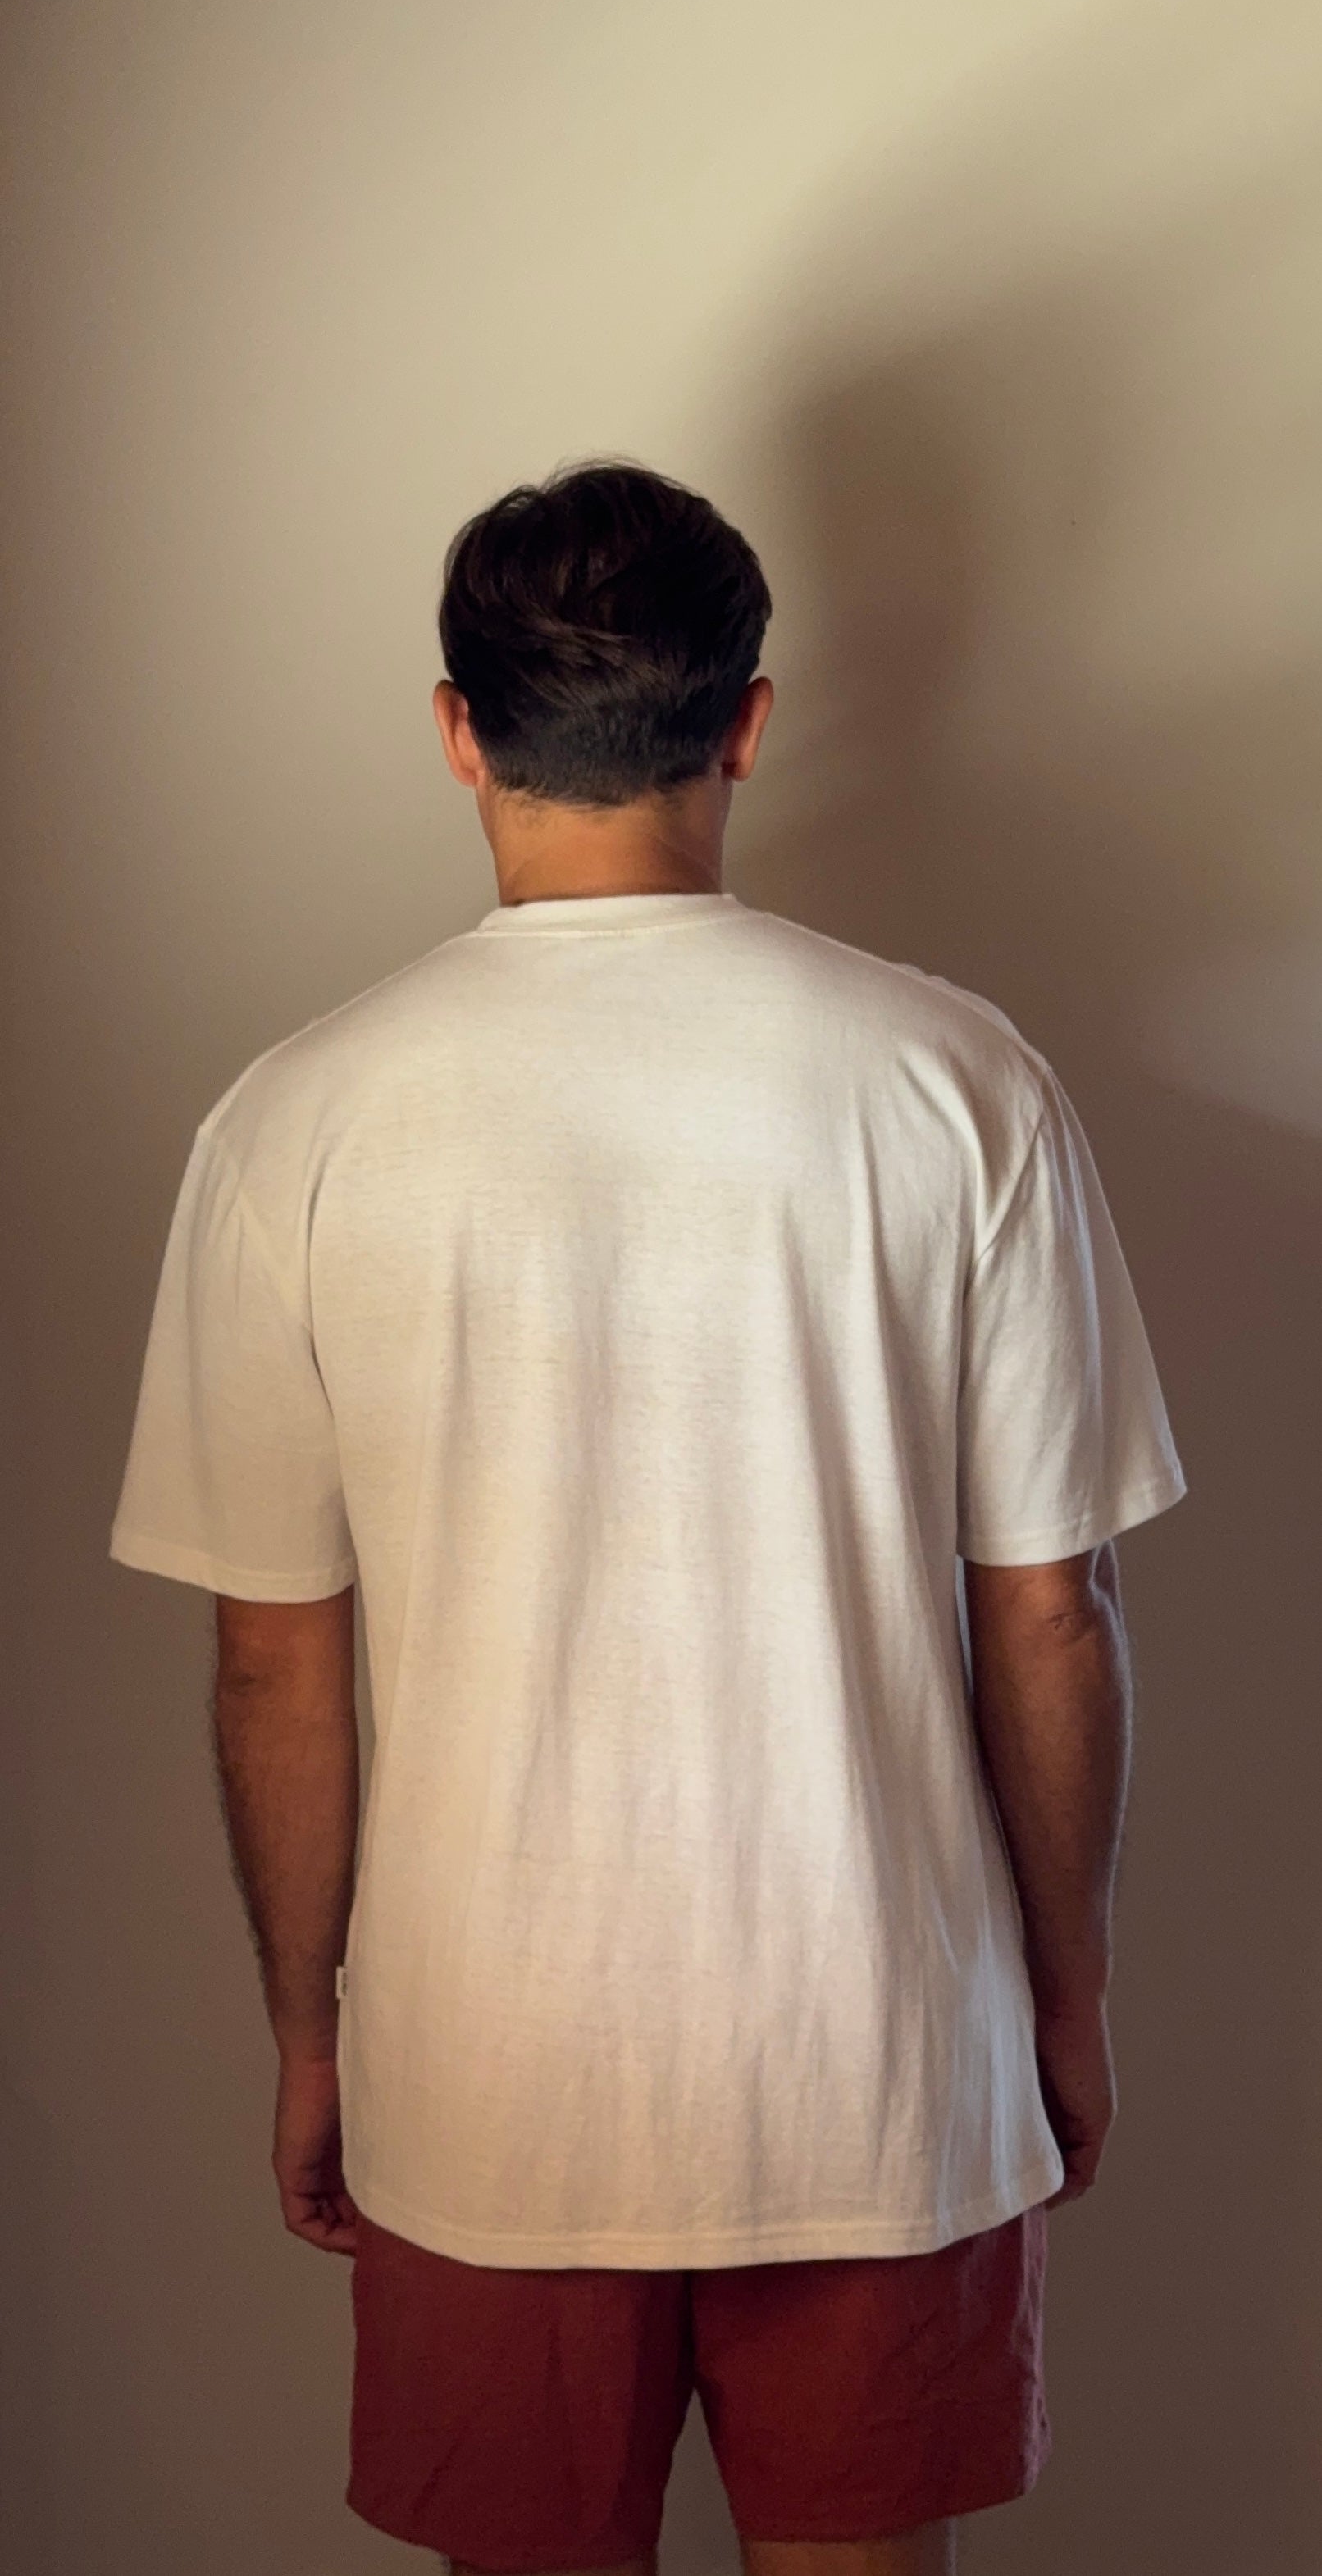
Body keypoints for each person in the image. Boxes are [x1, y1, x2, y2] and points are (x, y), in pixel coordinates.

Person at [109, 458, 1188, 2576]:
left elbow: (272, 1659)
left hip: (484, 2073)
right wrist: (1059, 1997)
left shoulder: (294, 1123)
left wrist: (314, 2030)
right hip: (881, 2054)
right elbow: (1051, 1610)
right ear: (747, 721)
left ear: (458, 729)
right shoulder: (954, 1082)